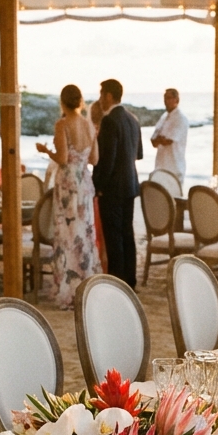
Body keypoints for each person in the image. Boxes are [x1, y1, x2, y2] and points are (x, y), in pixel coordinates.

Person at [35, 84, 102, 308]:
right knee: (84, 234)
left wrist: (46, 152)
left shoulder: (62, 124)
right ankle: (87, 287)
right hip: (84, 182)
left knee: (66, 235)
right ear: (81, 101)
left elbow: (62, 158)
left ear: (63, 102)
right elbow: (94, 160)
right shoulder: (89, 125)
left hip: (67, 183)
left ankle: (68, 290)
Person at [93, 78, 142, 288]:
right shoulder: (133, 119)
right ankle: (130, 280)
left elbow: (107, 159)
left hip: (112, 187)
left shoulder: (110, 121)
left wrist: (98, 186)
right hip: (130, 184)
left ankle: (117, 281)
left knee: (114, 237)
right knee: (127, 234)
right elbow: (138, 154)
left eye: (101, 94)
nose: (100, 99)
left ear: (109, 96)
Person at [150, 88, 188, 187]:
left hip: (174, 168)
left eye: (169, 98)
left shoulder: (180, 118)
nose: (166, 101)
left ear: (176, 100)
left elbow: (168, 141)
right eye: (165, 98)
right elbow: (153, 141)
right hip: (160, 167)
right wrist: (160, 139)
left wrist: (161, 139)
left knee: (173, 199)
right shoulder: (164, 117)